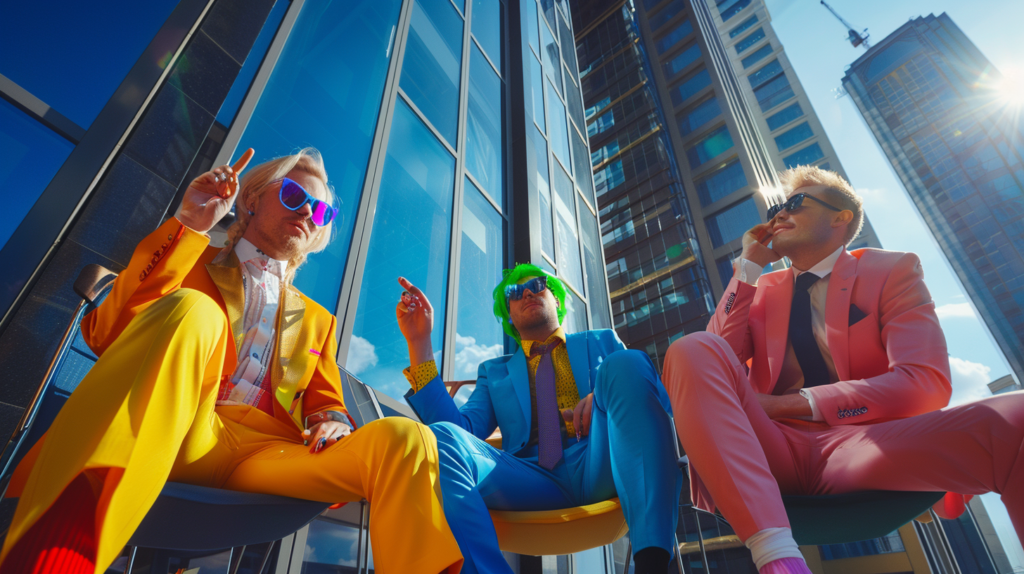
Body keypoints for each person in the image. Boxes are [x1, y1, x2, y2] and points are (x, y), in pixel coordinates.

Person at [0, 148, 463, 574]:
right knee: (194, 310)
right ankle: (56, 557)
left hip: (265, 455)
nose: (307, 211)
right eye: (293, 195)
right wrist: (190, 224)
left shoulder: (320, 319)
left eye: (319, 210)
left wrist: (332, 420)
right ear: (251, 201)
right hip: (178, 427)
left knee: (407, 438)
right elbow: (108, 335)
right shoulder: (190, 258)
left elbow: (325, 399)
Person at [662, 165, 1024, 574]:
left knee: (1017, 418)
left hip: (860, 447)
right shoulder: (759, 291)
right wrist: (748, 267)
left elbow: (924, 384)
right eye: (779, 206)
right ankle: (778, 559)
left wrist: (785, 405)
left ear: (841, 217)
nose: (779, 214)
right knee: (692, 347)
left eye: (796, 204)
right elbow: (715, 361)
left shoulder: (892, 270)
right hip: (766, 448)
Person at [395, 264, 682, 574]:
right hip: (528, 478)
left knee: (626, 362)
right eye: (514, 292)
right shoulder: (494, 372)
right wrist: (419, 344)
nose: (527, 292)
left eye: (536, 284)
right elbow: (459, 431)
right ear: (508, 315)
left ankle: (653, 563)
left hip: (602, 461)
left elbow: (650, 402)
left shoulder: (602, 342)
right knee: (441, 439)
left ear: (557, 299)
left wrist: (600, 396)